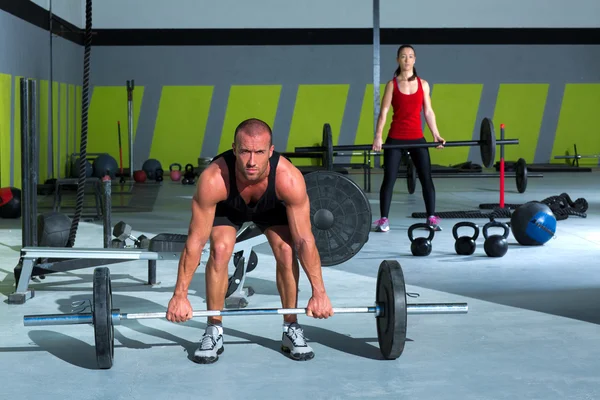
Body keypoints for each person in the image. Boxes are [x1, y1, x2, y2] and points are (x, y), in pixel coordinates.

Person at [165, 118, 334, 364]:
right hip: (229, 206)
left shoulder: (288, 178)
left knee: (286, 250)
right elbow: (195, 242)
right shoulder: (214, 179)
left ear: (271, 151)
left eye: (259, 152)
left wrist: (320, 293)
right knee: (220, 250)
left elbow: (305, 241)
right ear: (234, 149)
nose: (252, 161)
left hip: (270, 207)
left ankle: (291, 327)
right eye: (244, 151)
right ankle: (214, 328)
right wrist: (180, 295)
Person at [372, 44, 446, 232]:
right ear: (398, 59)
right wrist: (378, 137)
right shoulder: (392, 85)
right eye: (403, 56)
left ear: (415, 60)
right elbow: (384, 112)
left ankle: (431, 217)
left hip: (417, 138)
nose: (407, 60)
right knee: (389, 178)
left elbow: (428, 111)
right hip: (395, 138)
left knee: (426, 178)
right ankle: (384, 220)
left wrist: (436, 134)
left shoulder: (423, 84)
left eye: (410, 56)